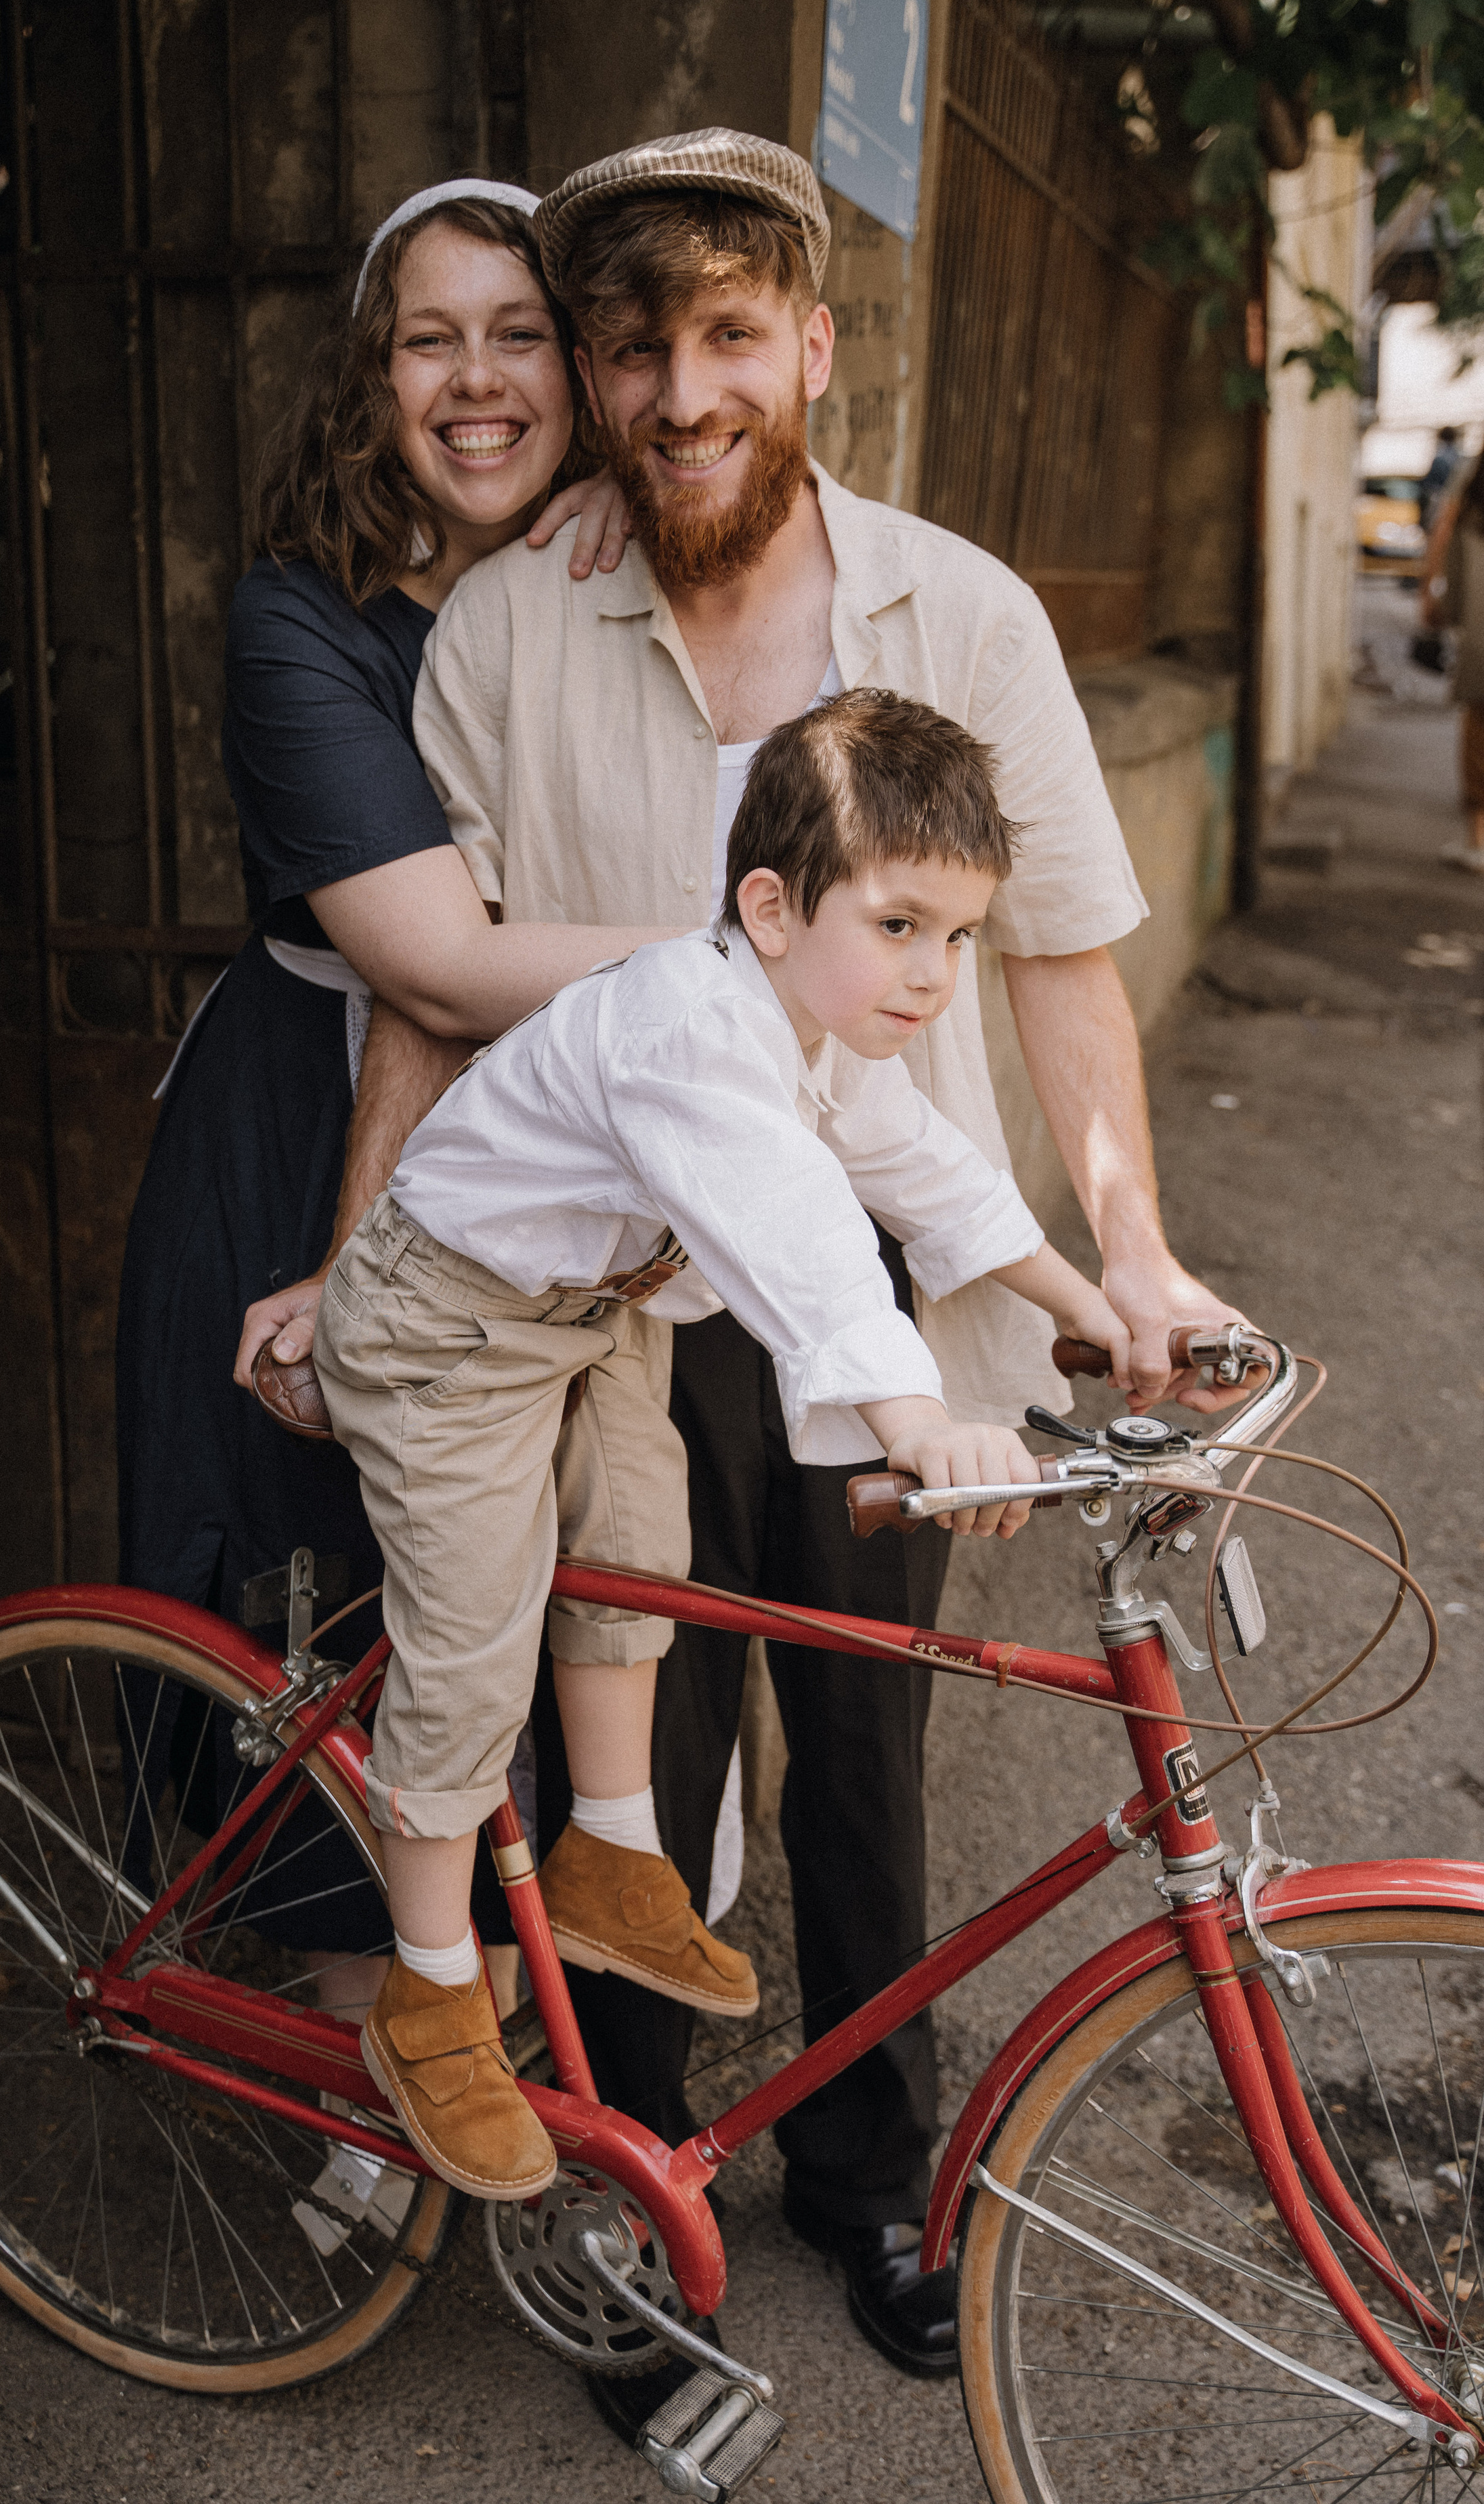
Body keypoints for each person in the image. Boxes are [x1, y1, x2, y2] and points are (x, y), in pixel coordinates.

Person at [241, 126, 1245, 2397]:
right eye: (634, 346)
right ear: (598, 380)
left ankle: (870, 2183)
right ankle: (615, 2193)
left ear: (808, 347)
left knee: (868, 1759)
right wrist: (344, 1264)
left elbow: (1061, 962)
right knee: (625, 1757)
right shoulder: (509, 619)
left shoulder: (962, 615)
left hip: (887, 1300)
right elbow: (428, 983)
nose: (680, 390)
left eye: (724, 337)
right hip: (615, 1297)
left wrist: (1131, 1263)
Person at [314, 689, 1131, 2200]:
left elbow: (916, 1163)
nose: (934, 974)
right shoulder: (692, 1031)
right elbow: (802, 1233)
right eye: (898, 926)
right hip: (445, 1325)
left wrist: (1088, 1308)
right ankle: (427, 1997)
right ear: (766, 905)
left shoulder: (799, 1023)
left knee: (640, 1533)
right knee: (478, 1636)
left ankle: (610, 1857)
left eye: (957, 937)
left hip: (583, 1308)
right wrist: (918, 1419)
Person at [115, 177, 663, 2006]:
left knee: (534, 1567)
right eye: (433, 338)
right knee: (327, 1582)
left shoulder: (612, 583)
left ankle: (497, 1995)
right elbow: (430, 963)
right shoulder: (303, 620)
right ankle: (358, 2034)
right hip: (303, 1114)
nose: (479, 379)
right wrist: (731, 959)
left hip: (555, 1137)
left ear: (582, 374)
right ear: (375, 374)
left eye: (521, 335)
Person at [1421, 452, 1484, 874]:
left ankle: (1479, 841)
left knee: (1478, 739)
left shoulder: (1471, 503)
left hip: (1482, 639)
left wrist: (1434, 597)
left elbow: (1446, 537)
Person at [1421, 425, 1462, 536]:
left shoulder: (1441, 457)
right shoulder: (1459, 456)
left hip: (1440, 499)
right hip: (1455, 501)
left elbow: (1430, 484)